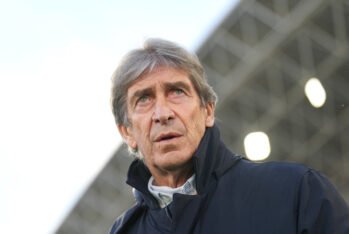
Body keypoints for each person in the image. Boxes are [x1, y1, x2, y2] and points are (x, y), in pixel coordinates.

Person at [109, 38, 349, 234]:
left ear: (208, 111)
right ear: (127, 132)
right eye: (144, 99)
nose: (162, 114)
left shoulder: (297, 192)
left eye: (177, 92)